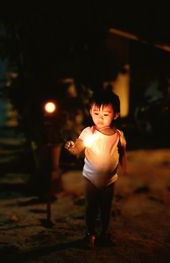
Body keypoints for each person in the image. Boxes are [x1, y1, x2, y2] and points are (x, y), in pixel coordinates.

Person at [64, 89, 127, 249]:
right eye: (96, 113)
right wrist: (73, 147)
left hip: (110, 179)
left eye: (105, 114)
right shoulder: (88, 131)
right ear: (90, 112)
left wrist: (124, 166)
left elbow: (122, 151)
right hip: (90, 178)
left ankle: (104, 234)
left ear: (116, 115)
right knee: (91, 207)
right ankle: (89, 233)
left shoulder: (118, 135)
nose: (100, 118)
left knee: (106, 208)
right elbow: (79, 145)